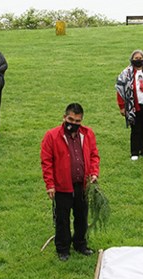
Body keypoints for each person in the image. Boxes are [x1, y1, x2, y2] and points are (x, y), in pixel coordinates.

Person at [41, 103, 100, 262]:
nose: (73, 124)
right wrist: (50, 185)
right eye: (70, 119)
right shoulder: (51, 136)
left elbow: (94, 155)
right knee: (62, 218)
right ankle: (63, 248)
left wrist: (94, 173)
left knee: (82, 217)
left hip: (82, 185)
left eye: (77, 121)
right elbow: (46, 162)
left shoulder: (88, 134)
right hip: (62, 186)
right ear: (64, 117)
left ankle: (80, 244)